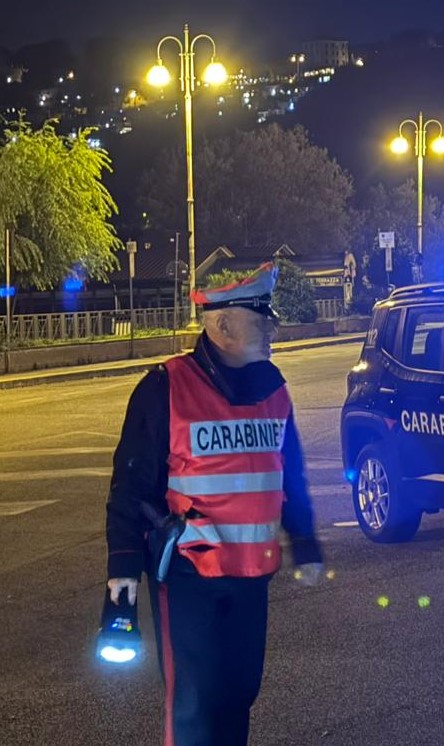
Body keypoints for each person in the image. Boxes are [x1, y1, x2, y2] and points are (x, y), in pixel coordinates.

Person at [104, 262, 323, 745]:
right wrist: (122, 576)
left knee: (239, 693)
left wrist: (304, 540)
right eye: (260, 318)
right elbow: (131, 488)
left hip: (251, 575)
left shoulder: (273, 389)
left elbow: (290, 474)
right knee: (194, 704)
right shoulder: (165, 387)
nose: (273, 327)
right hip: (188, 578)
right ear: (222, 324)